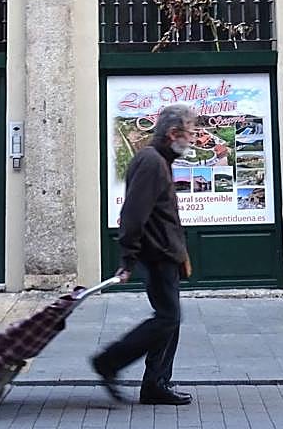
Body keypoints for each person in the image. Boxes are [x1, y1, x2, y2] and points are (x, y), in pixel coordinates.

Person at [91, 103, 194, 407]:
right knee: (167, 318)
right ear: (174, 133)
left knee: (170, 319)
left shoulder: (161, 159)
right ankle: (110, 362)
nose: (192, 138)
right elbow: (133, 215)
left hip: (167, 255)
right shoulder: (151, 162)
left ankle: (156, 383)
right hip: (157, 255)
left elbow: (161, 215)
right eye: (189, 132)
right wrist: (127, 260)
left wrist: (181, 253)